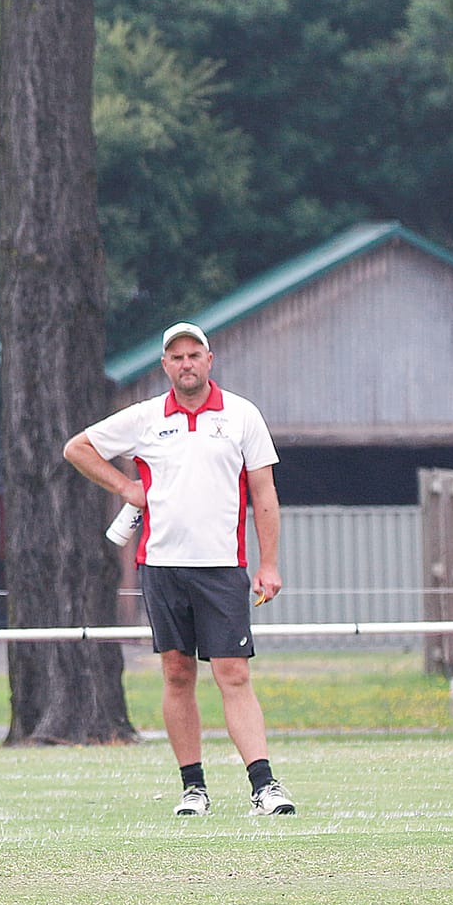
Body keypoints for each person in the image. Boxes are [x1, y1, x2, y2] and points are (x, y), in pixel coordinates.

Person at [63, 321, 296, 817]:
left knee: (233, 673)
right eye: (177, 356)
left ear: (210, 360)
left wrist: (269, 563)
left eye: (195, 354)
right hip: (163, 566)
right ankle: (194, 788)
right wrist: (126, 488)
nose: (186, 363)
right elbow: (77, 448)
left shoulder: (241, 416)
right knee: (176, 673)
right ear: (165, 366)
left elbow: (264, 494)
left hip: (222, 567)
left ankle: (265, 785)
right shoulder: (146, 418)